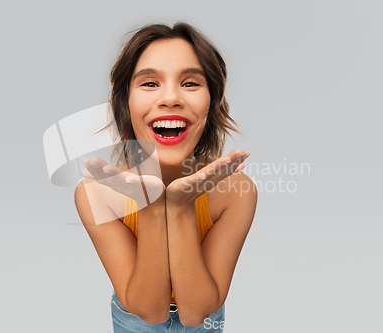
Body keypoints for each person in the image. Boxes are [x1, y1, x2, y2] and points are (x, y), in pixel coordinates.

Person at [74, 22, 257, 332]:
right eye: (149, 83)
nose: (170, 98)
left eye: (190, 83)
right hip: (133, 320)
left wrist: (181, 206)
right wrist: (151, 206)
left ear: (212, 104)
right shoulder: (96, 192)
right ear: (125, 103)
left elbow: (196, 313)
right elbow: (150, 312)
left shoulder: (236, 190)